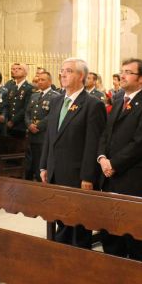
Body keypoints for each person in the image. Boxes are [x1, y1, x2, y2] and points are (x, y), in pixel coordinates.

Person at [98, 58, 142, 262]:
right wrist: (101, 158)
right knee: (110, 230)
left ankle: (140, 279)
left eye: (128, 72)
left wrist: (114, 164)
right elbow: (105, 135)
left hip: (132, 177)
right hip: (109, 175)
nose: (122, 75)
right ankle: (113, 270)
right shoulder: (118, 101)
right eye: (122, 71)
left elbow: (140, 143)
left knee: (134, 233)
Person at [40, 58, 107, 248]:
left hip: (77, 174)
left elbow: (93, 144)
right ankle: (61, 256)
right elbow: (50, 136)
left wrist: (88, 176)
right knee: (60, 218)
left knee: (77, 225)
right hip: (55, 170)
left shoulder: (93, 104)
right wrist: (44, 165)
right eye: (62, 70)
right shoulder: (56, 101)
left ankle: (77, 263)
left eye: (68, 71)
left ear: (81, 76)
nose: (62, 74)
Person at [24, 71, 59, 181]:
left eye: (43, 80)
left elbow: (52, 115)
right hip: (31, 134)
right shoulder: (34, 95)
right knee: (31, 161)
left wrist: (37, 126)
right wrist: (29, 124)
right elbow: (27, 113)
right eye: (38, 80)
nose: (39, 82)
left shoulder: (55, 96)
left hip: (43, 134)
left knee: (41, 162)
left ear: (50, 81)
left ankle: (41, 183)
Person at [5, 63, 33, 138]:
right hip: (8, 124)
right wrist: (7, 119)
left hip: (20, 125)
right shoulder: (12, 87)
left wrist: (13, 121)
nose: (16, 70)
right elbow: (7, 104)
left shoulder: (29, 88)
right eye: (15, 69)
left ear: (25, 73)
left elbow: (26, 108)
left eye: (20, 69)